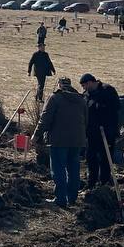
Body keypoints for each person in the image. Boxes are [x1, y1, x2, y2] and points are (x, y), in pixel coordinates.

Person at [38, 77, 86, 206]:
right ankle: (72, 198)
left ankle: (60, 199)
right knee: (74, 169)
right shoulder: (81, 100)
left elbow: (45, 119)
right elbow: (86, 120)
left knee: (58, 169)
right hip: (77, 140)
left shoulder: (54, 98)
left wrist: (36, 135)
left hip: (58, 140)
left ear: (59, 85)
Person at [80, 73, 120, 189]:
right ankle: (91, 182)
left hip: (106, 131)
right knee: (91, 157)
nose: (84, 88)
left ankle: (104, 182)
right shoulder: (86, 94)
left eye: (84, 85)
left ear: (90, 82)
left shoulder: (108, 90)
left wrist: (100, 106)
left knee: (105, 158)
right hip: (92, 132)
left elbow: (116, 107)